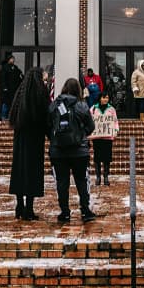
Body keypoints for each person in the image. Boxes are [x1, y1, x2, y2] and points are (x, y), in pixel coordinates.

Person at [48, 77, 97, 223]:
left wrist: (55, 139)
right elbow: (91, 127)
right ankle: (85, 210)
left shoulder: (53, 106)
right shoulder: (82, 105)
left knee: (61, 182)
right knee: (82, 180)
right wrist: (81, 136)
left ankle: (65, 212)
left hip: (58, 151)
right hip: (80, 151)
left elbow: (48, 125)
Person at [8, 67, 49, 220]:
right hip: (35, 139)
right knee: (32, 173)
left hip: (20, 138)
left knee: (19, 171)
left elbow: (13, 116)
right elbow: (45, 116)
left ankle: (19, 205)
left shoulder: (20, 93)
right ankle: (29, 209)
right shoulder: (40, 94)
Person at [89, 91, 120, 185]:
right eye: (103, 97)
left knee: (107, 157)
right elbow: (89, 120)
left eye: (107, 97)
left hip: (107, 137)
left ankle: (106, 176)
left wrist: (116, 130)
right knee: (97, 157)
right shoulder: (94, 108)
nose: (105, 99)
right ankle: (98, 177)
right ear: (99, 98)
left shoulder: (111, 109)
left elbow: (115, 121)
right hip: (97, 137)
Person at [0, 55, 22, 119]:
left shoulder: (15, 68)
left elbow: (19, 76)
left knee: (13, 103)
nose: (13, 60)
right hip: (7, 89)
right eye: (12, 59)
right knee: (6, 103)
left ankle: (11, 117)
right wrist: (4, 87)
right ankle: (3, 117)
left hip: (14, 89)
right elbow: (3, 78)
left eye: (13, 59)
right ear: (9, 60)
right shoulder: (5, 68)